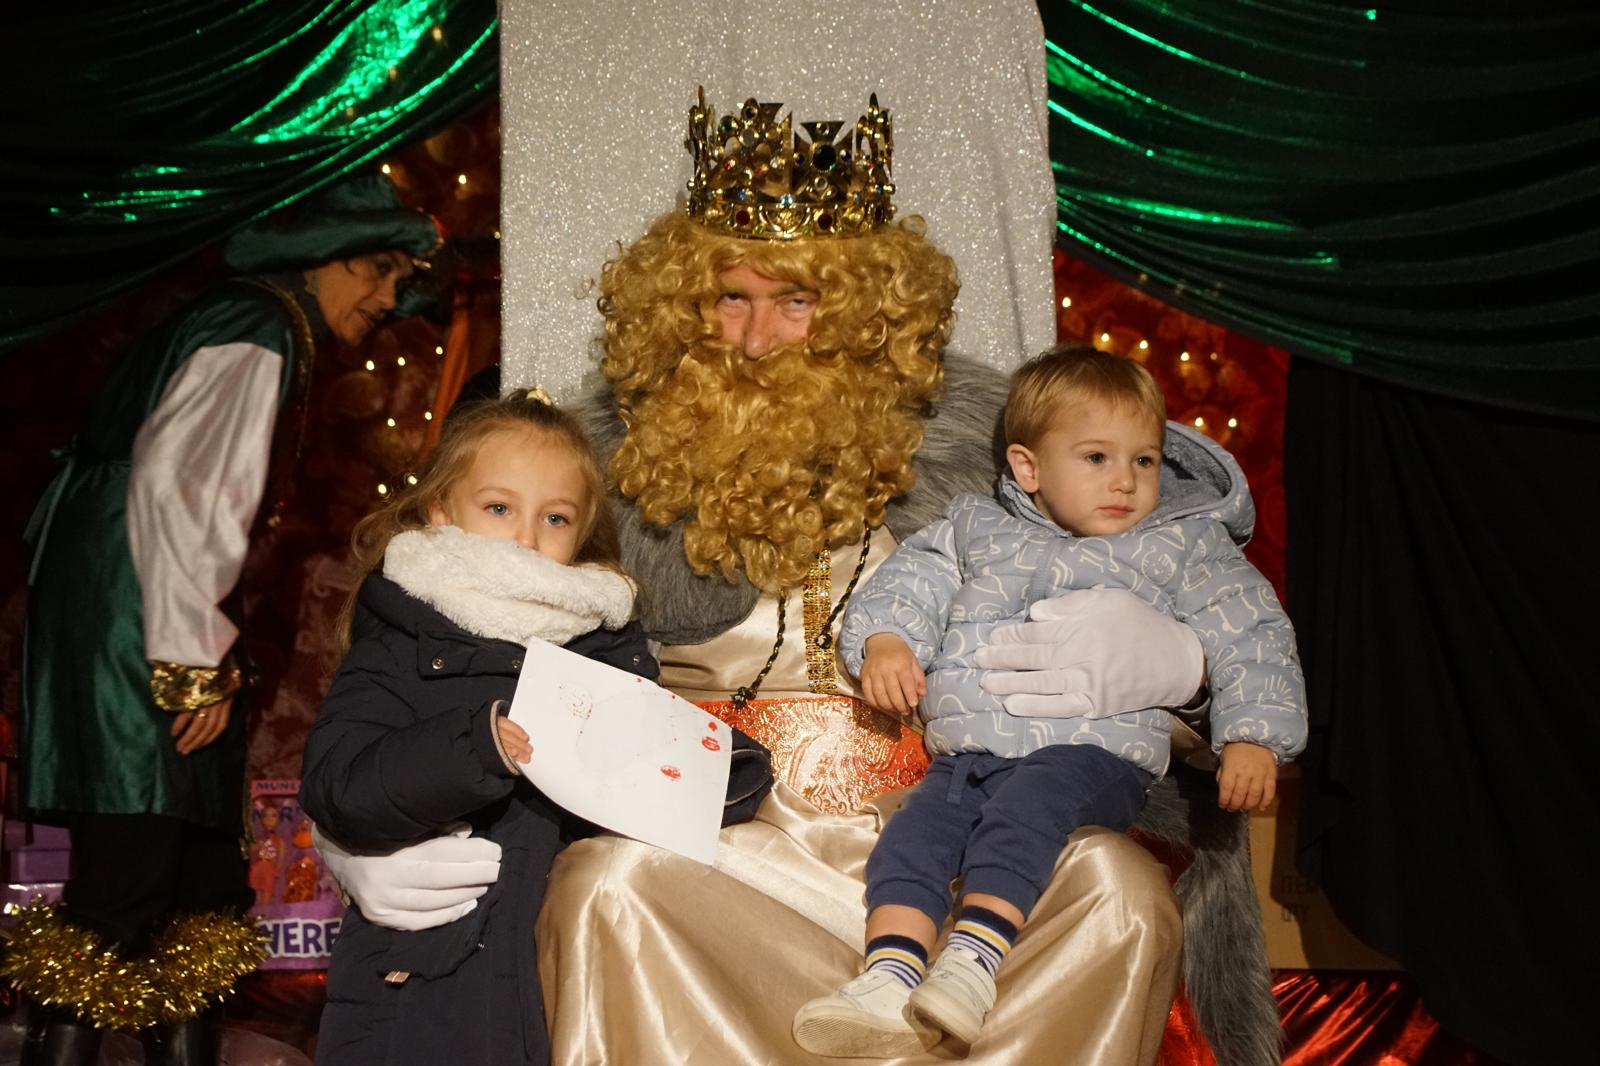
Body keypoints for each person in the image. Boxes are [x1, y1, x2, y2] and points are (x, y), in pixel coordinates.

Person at [323, 91, 1283, 1066]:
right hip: (719, 841)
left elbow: (1173, 534)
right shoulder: (598, 461)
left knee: (1116, 892)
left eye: (796, 301)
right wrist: (365, 818)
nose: (755, 338)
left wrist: (1187, 668)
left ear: (863, 310)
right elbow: (454, 618)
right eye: (729, 298)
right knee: (608, 886)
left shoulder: (992, 445)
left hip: (952, 826)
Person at [5, 172, 441, 1066]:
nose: (388, 298)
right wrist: (191, 658)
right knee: (128, 868)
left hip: (134, 595)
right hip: (142, 606)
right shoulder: (256, 327)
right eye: (376, 269)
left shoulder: (254, 321)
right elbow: (186, 487)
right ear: (318, 260)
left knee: (201, 872)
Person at [793, 345, 1307, 1056]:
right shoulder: (975, 527)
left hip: (1090, 752)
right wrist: (886, 641)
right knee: (914, 836)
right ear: (1029, 468)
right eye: (1096, 458)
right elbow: (912, 580)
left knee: (1025, 812)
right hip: (972, 749)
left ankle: (974, 960)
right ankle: (890, 972)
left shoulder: (1183, 545)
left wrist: (1253, 735)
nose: (1124, 481)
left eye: (1144, 460)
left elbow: (1252, 631)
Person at [297, 394, 667, 1066]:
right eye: (499, 508)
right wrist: (474, 748)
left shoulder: (608, 647)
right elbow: (338, 781)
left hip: (567, 974)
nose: (525, 538)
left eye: (554, 518)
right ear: (442, 510)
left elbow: (647, 783)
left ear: (581, 533)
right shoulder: (405, 639)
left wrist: (720, 775)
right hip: (425, 986)